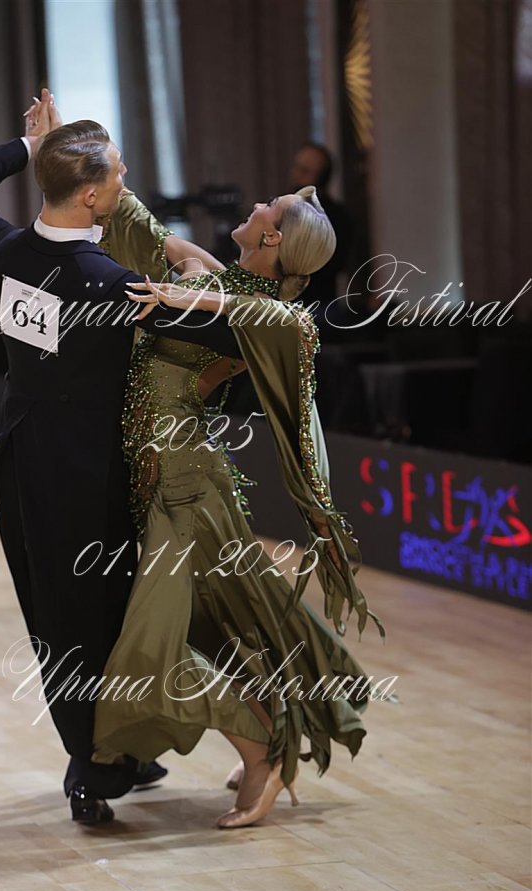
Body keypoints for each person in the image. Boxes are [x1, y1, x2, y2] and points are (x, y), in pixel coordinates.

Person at [0, 91, 249, 825]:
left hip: (21, 463)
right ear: (93, 194)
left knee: (62, 614)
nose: (126, 179)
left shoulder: (7, 250)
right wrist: (214, 285)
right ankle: (93, 763)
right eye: (119, 172)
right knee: (96, 614)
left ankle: (115, 749)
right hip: (91, 474)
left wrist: (27, 146)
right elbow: (232, 336)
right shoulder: (111, 284)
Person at [87, 187, 385, 827]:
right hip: (161, 480)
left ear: (272, 239)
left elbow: (283, 322)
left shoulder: (266, 318)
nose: (253, 208)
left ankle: (261, 750)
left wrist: (193, 299)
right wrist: (93, 170)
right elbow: (151, 234)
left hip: (184, 485)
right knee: (225, 623)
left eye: (265, 210)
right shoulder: (216, 277)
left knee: (154, 644)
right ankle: (280, 725)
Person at [288, 142, 353, 310]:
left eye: (305, 171)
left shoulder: (336, 216)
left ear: (321, 177)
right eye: (297, 167)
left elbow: (336, 263)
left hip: (319, 304)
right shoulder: (285, 208)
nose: (296, 174)